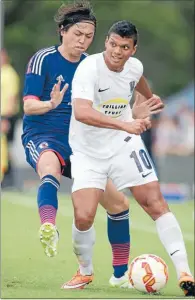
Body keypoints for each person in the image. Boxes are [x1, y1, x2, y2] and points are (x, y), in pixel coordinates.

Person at [21, 1, 162, 289]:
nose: (83, 41)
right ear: (62, 31)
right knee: (50, 167)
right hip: (44, 134)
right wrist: (51, 103)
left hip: (82, 143)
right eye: (77, 34)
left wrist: (135, 114)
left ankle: (121, 274)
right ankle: (48, 225)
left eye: (88, 36)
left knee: (119, 204)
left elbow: (112, 108)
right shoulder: (43, 59)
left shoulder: (92, 65)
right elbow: (28, 106)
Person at [62, 20, 195, 296]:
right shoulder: (89, 69)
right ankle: (85, 271)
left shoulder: (135, 67)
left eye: (124, 47)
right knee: (84, 216)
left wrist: (148, 102)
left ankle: (185, 273)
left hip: (124, 144)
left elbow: (138, 81)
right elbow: (82, 113)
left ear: (133, 49)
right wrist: (128, 122)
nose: (117, 51)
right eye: (112, 44)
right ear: (106, 42)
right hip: (88, 152)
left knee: (155, 202)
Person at [1, 48, 20, 188]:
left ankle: (8, 178)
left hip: (6, 115)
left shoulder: (9, 74)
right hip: (3, 115)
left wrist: (6, 118)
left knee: (5, 147)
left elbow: (12, 97)